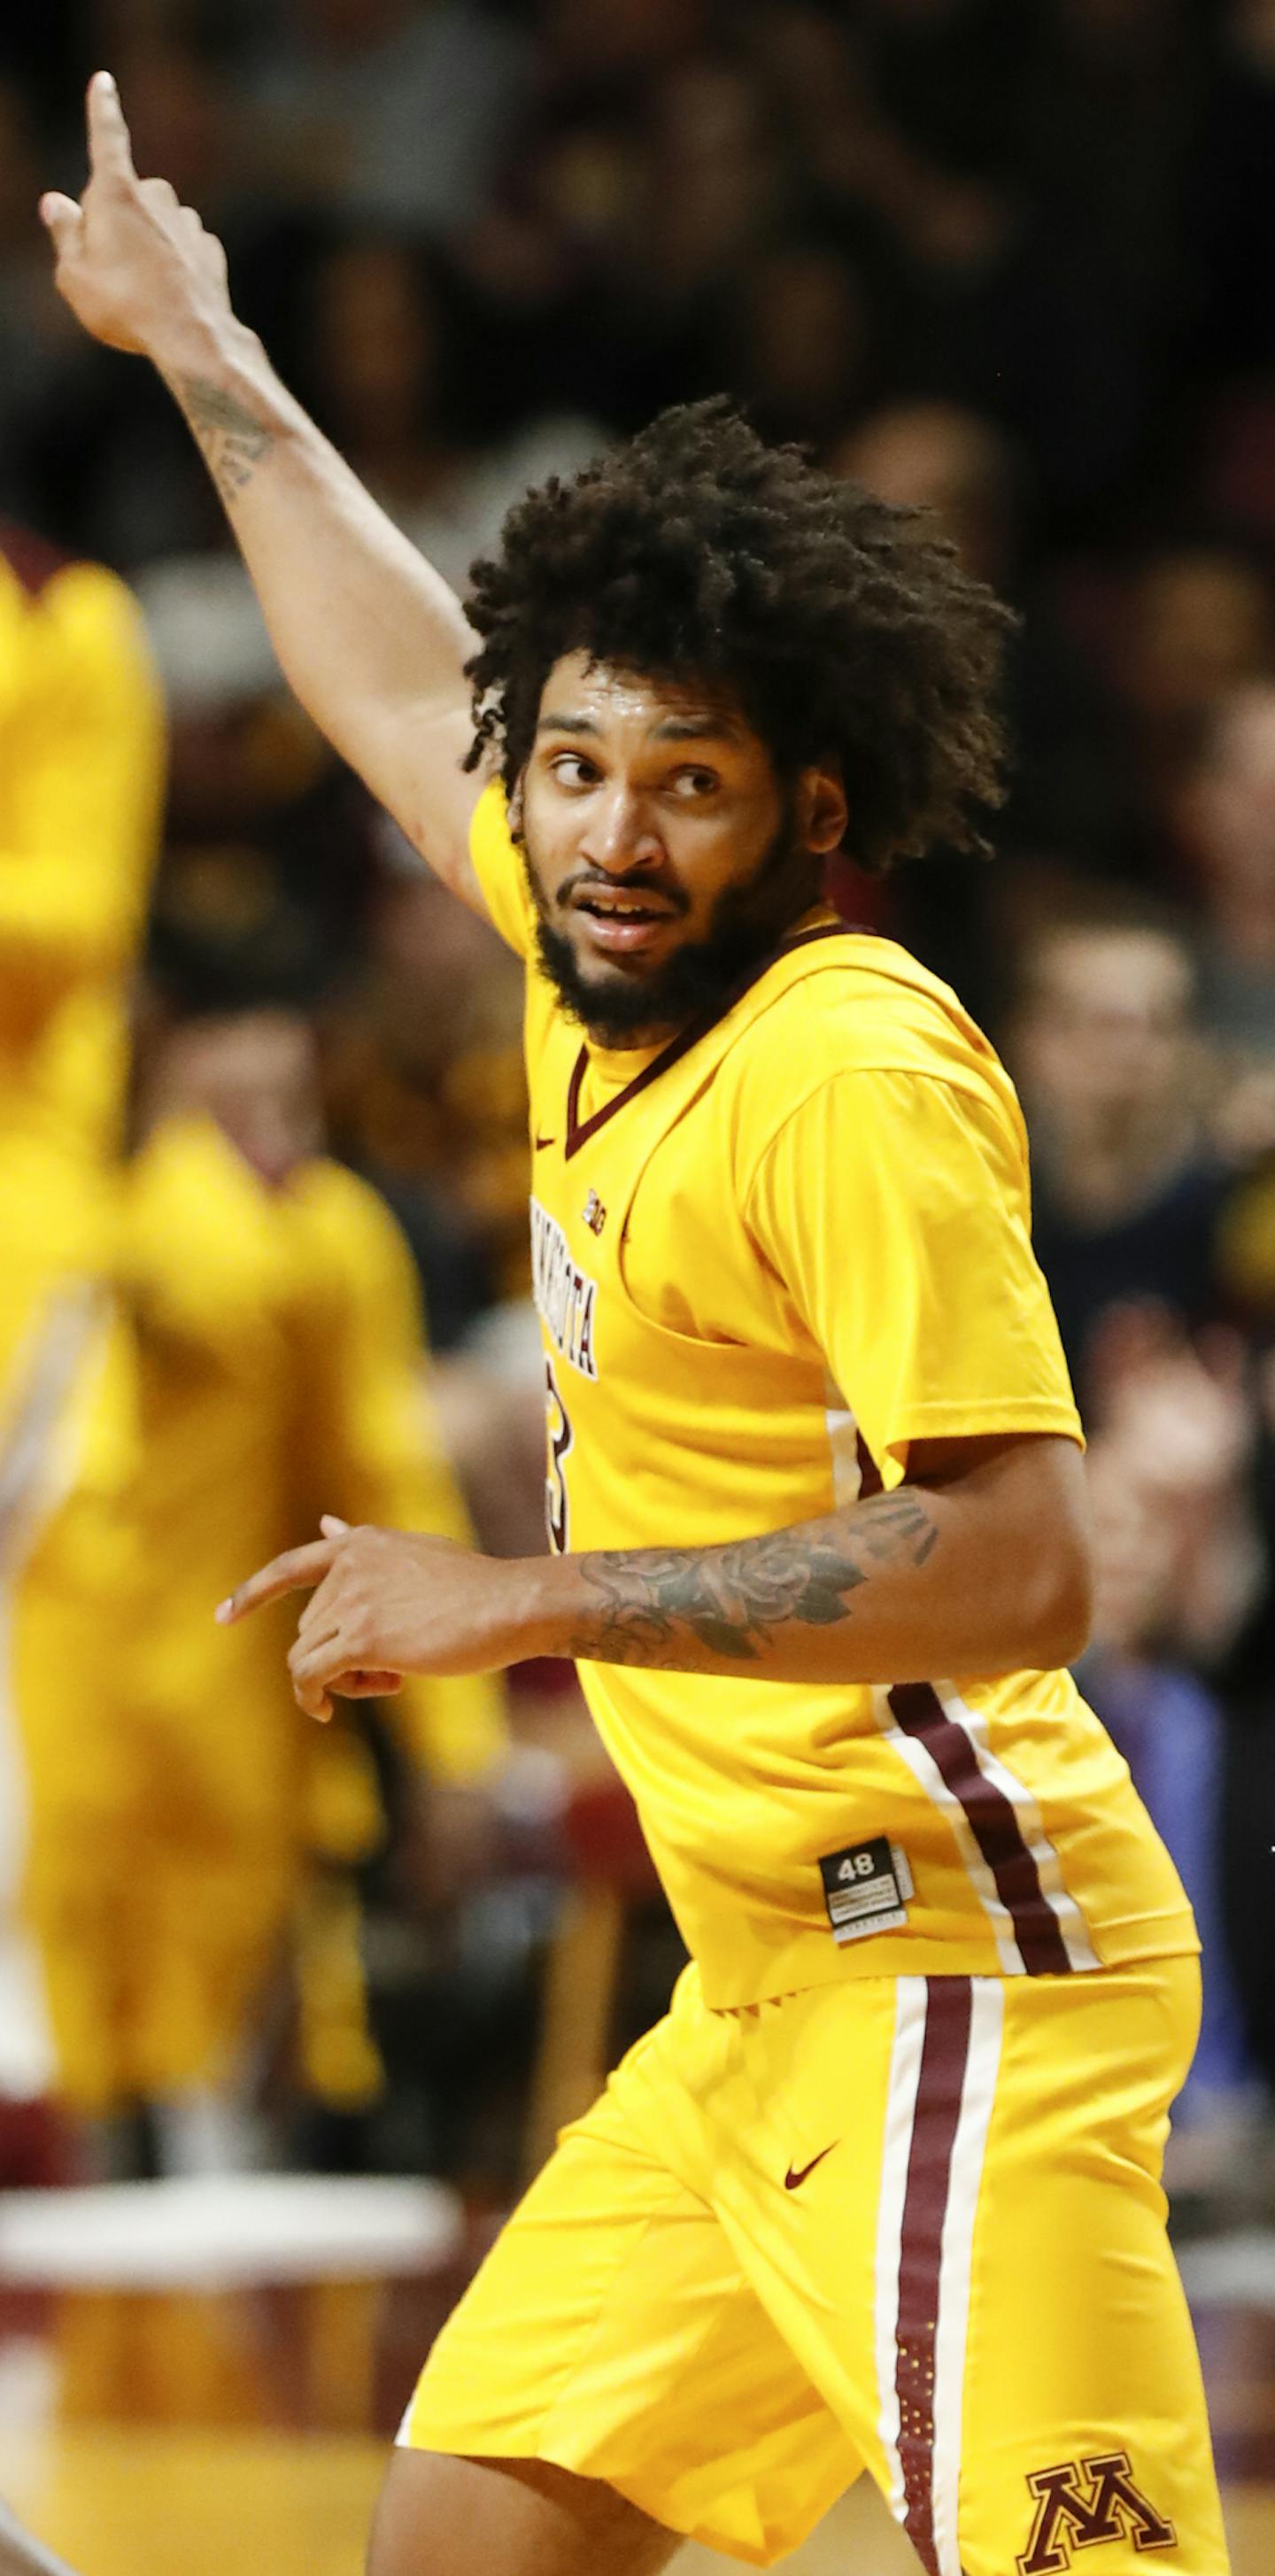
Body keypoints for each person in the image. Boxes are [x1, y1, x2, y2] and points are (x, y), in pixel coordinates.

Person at [41, 73, 1227, 2576]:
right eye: (569, 768)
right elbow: (386, 687)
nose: (597, 832)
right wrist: (207, 351)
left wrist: (528, 1602)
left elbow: (1024, 1569)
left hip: (959, 1974)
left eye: (676, 786)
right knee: (460, 2542)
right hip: (751, 1996)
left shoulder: (845, 1065)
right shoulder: (607, 975)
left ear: (805, 814)